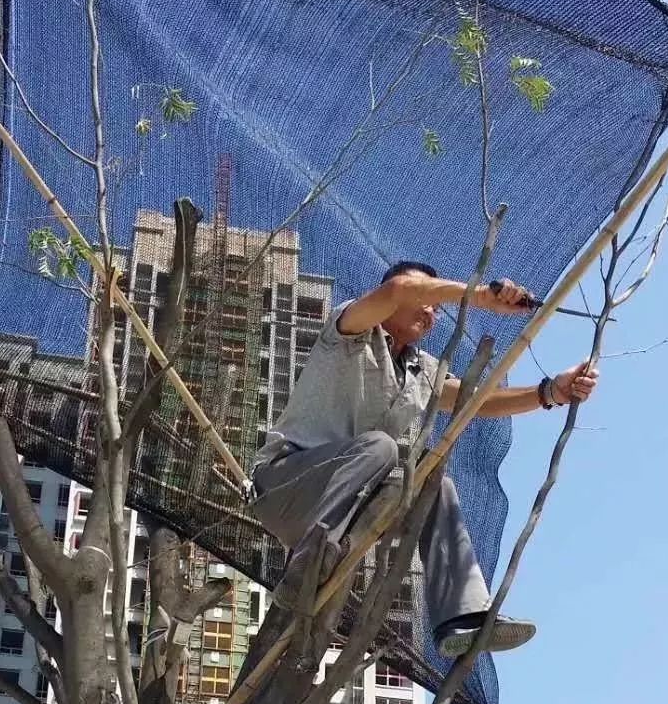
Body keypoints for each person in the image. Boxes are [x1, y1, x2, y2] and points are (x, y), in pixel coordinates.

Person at [250, 262, 598, 657]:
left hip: (352, 505)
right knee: (381, 446)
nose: (432, 313)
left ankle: (461, 617)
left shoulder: (423, 372)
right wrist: (480, 296)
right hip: (286, 486)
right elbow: (400, 289)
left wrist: (552, 392)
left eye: (437, 309)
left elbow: (479, 402)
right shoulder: (349, 330)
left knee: (435, 486)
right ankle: (309, 566)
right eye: (427, 301)